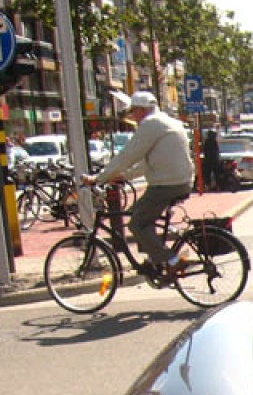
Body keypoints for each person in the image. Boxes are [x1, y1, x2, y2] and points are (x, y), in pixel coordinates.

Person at [82, 90, 194, 278]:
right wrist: (124, 176)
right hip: (180, 181)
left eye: (133, 112)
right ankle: (155, 259)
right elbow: (148, 163)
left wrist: (99, 178)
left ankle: (172, 261)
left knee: (137, 224)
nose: (132, 116)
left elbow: (129, 154)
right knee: (142, 215)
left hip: (166, 184)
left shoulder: (151, 124)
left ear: (142, 110)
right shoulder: (169, 121)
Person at [202, 127, 221, 192]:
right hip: (214, 160)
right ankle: (217, 186)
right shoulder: (214, 142)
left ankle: (208, 186)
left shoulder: (207, 142)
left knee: (207, 174)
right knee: (216, 174)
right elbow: (217, 151)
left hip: (208, 160)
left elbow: (204, 151)